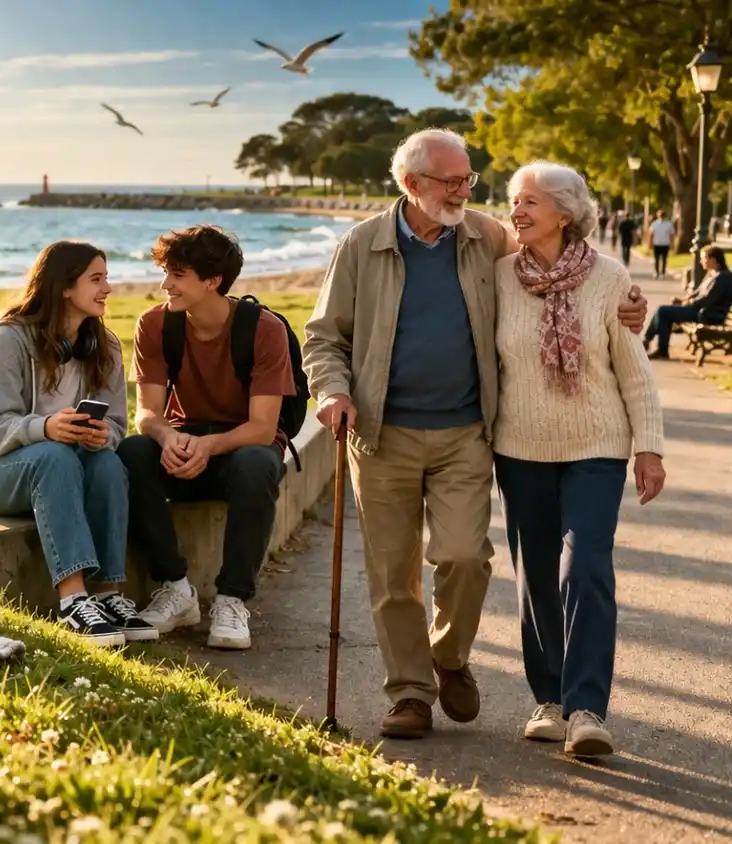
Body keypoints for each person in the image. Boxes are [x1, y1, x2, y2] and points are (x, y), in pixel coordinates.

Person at [303, 128, 648, 740]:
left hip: (467, 432)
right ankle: (410, 693)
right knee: (392, 573)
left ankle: (449, 656)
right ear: (412, 185)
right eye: (452, 181)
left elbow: (560, 261)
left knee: (465, 558)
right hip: (381, 435)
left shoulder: (484, 234)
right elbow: (324, 336)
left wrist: (627, 304)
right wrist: (331, 391)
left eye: (469, 180)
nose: (467, 191)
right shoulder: (361, 246)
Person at [493, 162, 665, 757]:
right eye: (514, 201)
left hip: (598, 445)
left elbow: (633, 368)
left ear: (564, 214)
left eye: (529, 202)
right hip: (519, 447)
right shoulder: (496, 277)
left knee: (584, 566)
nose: (516, 211)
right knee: (535, 573)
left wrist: (649, 446)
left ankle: (588, 707)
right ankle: (549, 700)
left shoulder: (610, 279)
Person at [0, 241, 151, 647]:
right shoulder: (10, 340)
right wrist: (46, 428)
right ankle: (73, 600)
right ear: (63, 287)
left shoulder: (104, 346)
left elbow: (116, 425)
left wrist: (100, 435)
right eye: (96, 279)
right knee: (55, 456)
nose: (107, 288)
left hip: (64, 467)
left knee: (109, 463)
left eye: (106, 278)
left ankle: (110, 595)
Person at [117, 224, 294, 650]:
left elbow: (263, 428)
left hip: (240, 449)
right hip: (185, 443)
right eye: (166, 273)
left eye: (177, 275)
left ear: (213, 280)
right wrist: (167, 438)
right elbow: (147, 414)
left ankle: (233, 600)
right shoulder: (155, 325)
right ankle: (177, 590)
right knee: (131, 451)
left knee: (258, 463)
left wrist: (208, 446)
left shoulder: (264, 329)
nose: (165, 284)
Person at [645, 245, 732, 359]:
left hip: (709, 315)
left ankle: (650, 342)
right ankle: (660, 349)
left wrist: (690, 302)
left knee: (663, 311)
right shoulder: (713, 274)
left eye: (703, 258)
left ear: (713, 259)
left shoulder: (723, 277)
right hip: (701, 310)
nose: (701, 261)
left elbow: (708, 299)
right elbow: (698, 292)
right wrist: (683, 300)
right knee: (665, 313)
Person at [647, 210, 675, 279]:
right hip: (657, 244)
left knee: (664, 259)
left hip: (665, 244)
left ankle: (662, 273)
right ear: (657, 215)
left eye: (662, 214)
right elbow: (651, 234)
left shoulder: (669, 224)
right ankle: (657, 272)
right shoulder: (654, 223)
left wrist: (672, 244)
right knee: (656, 259)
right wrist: (649, 244)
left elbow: (672, 235)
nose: (661, 216)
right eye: (660, 214)